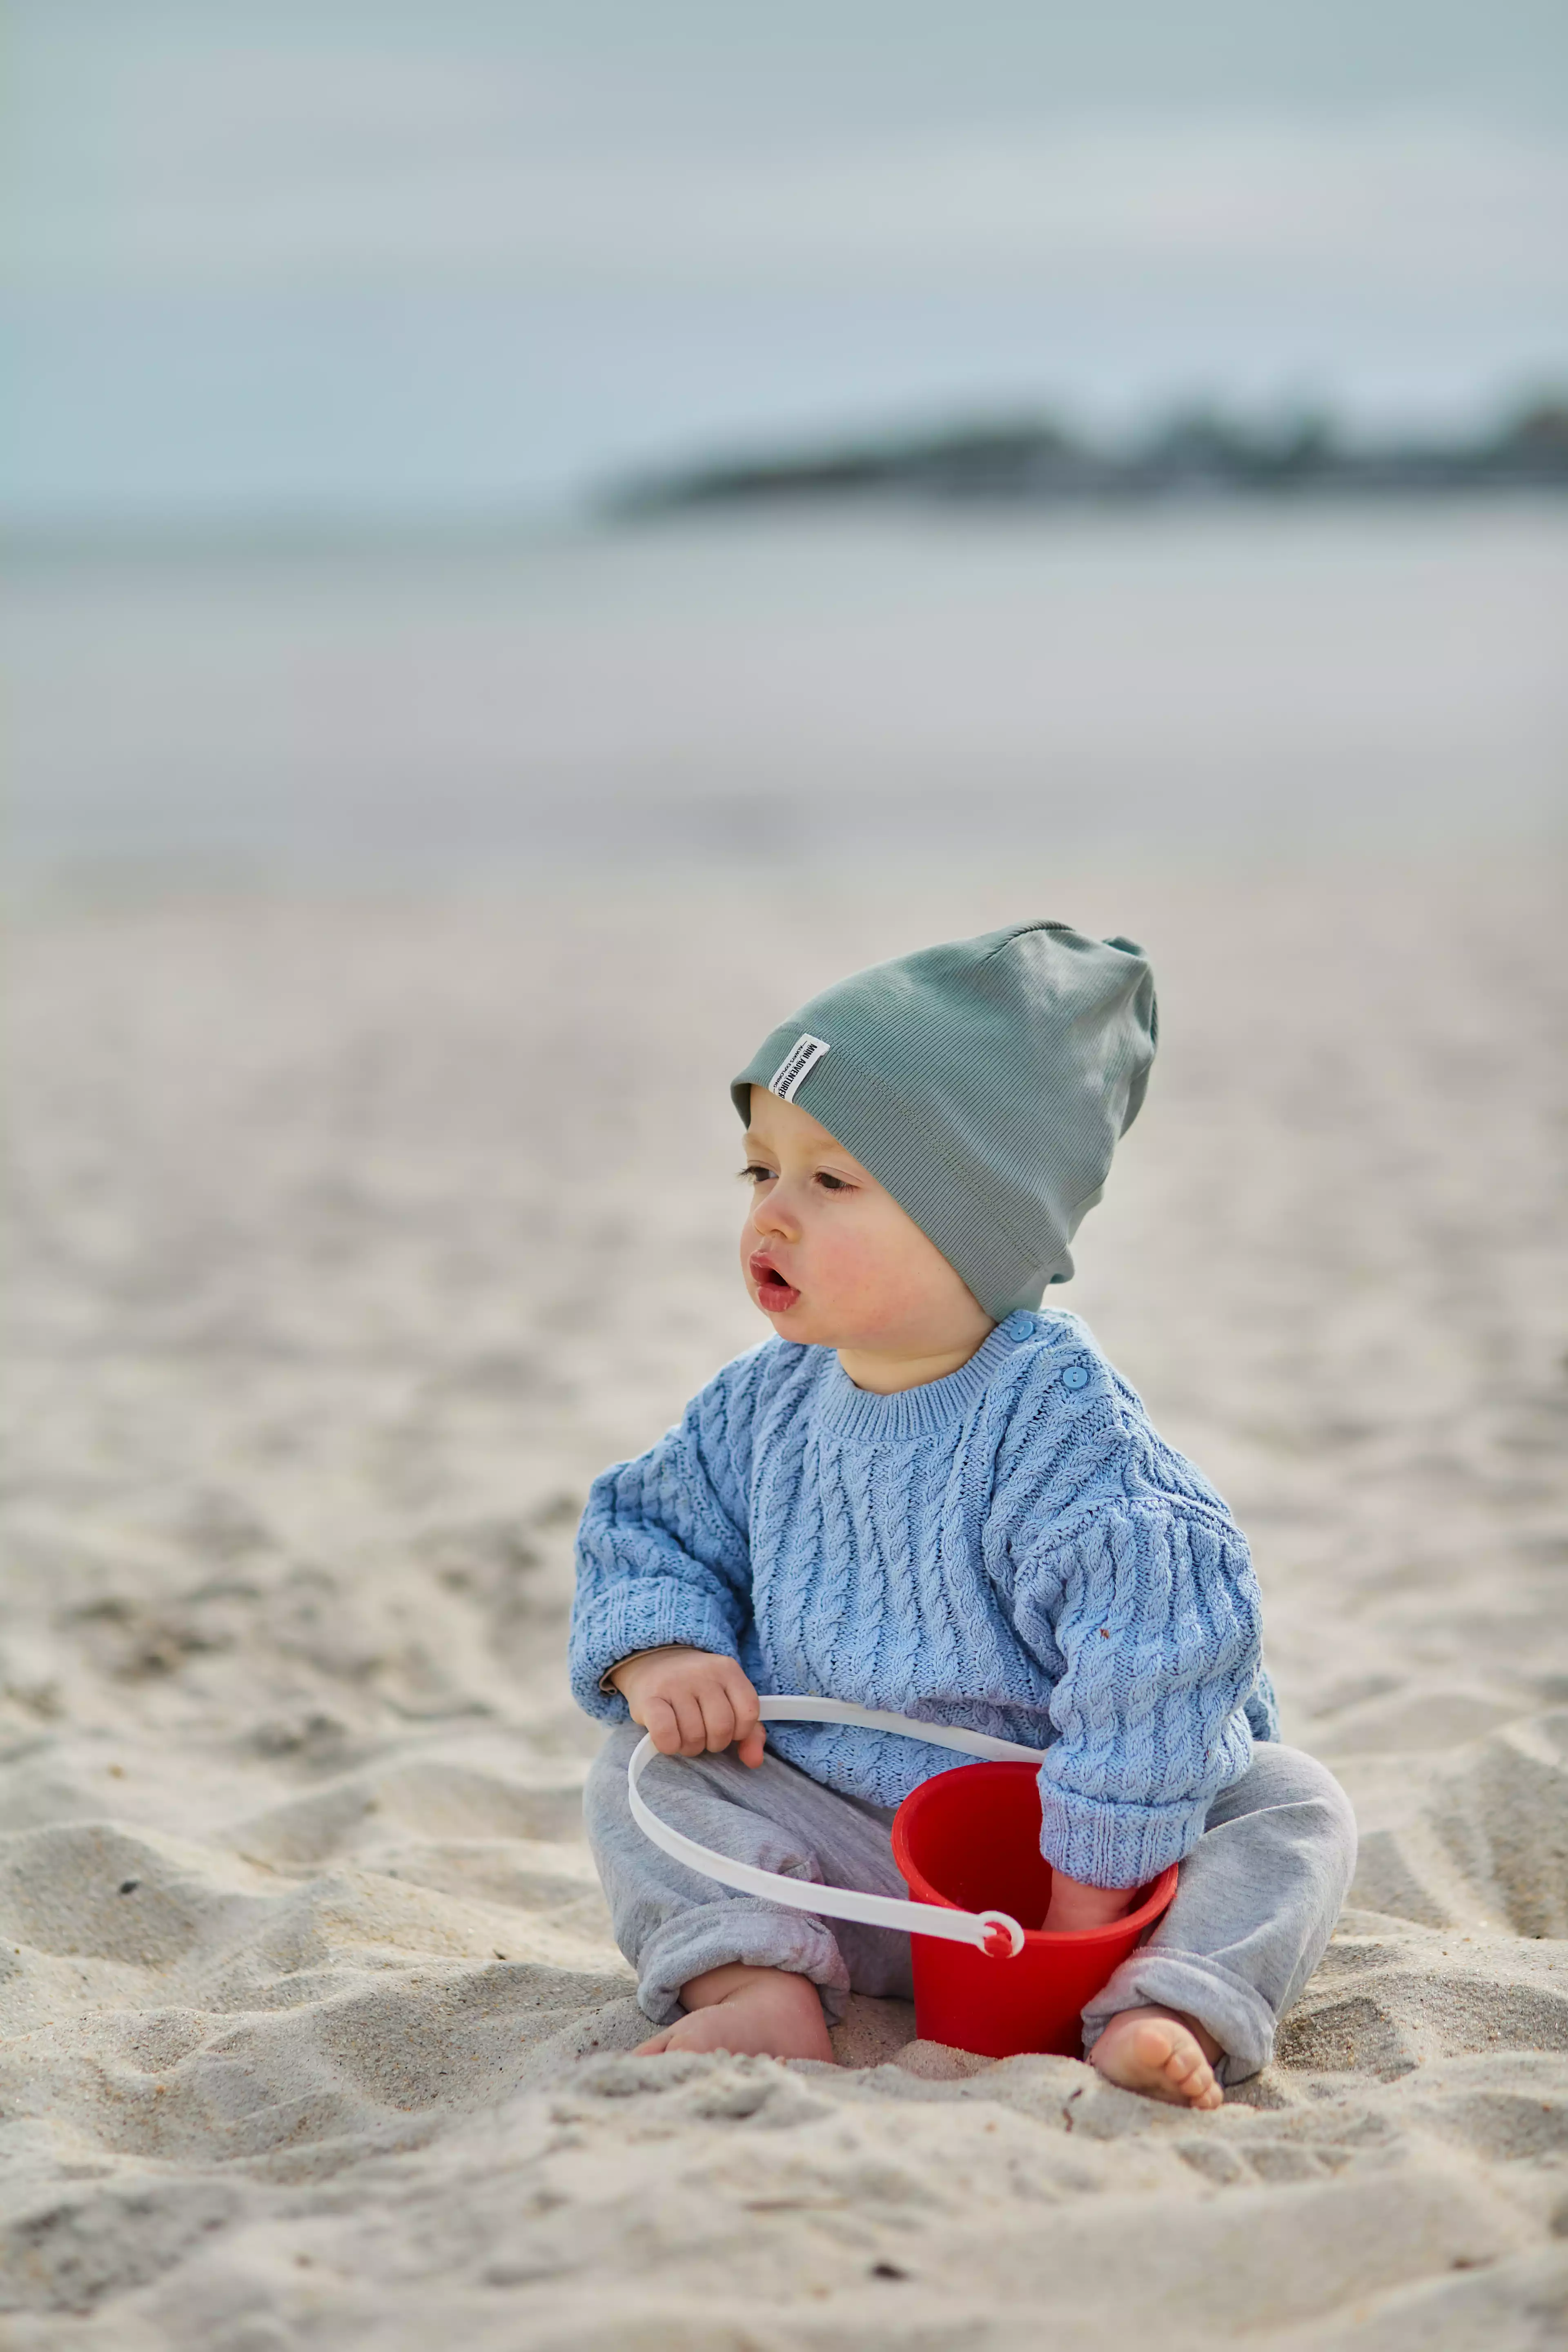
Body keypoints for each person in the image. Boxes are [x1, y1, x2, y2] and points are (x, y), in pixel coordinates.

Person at [570, 922, 1356, 2107]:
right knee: (646, 1769)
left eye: (831, 1181)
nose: (773, 1216)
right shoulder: (762, 1405)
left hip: (1060, 1865)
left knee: (1291, 1809)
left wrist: (1081, 1903)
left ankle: (1159, 2002)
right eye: (760, 1171)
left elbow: (1163, 1663)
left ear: (978, 1228)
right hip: (842, 1859)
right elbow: (646, 1522)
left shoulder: (1066, 1435)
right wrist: (661, 1646)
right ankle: (757, 1981)